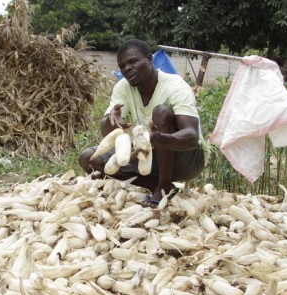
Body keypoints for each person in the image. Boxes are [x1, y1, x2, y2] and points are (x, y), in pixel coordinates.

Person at [78, 39, 205, 206]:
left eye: (132, 62)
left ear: (149, 59)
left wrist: (161, 139)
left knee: (161, 112)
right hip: (149, 155)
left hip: (186, 159)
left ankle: (164, 185)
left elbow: (191, 138)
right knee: (89, 158)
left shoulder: (175, 86)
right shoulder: (123, 87)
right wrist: (111, 121)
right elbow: (106, 133)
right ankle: (155, 186)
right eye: (122, 66)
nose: (127, 68)